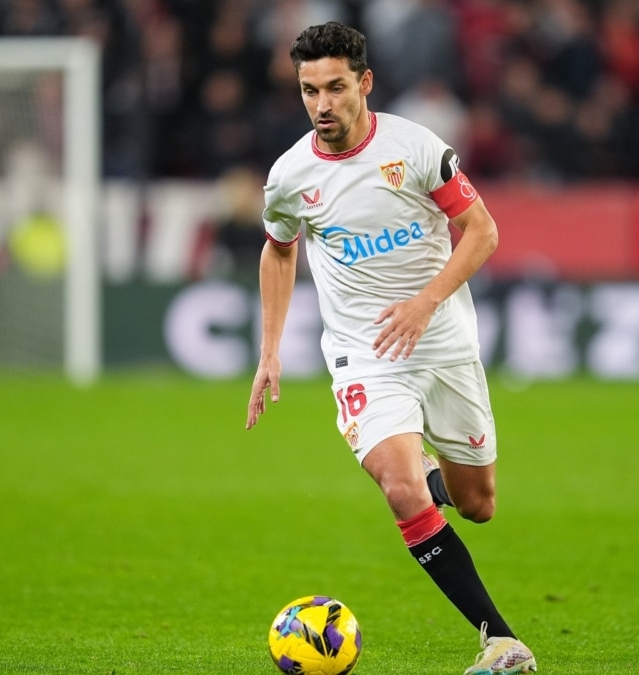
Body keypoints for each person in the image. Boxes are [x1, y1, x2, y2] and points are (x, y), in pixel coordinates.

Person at [245, 21, 537, 675]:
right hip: (363, 353)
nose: (322, 104)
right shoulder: (290, 175)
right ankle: (501, 639)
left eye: (336, 87)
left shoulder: (415, 148)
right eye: (309, 90)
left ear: (364, 83)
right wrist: (270, 350)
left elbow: (481, 231)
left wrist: (426, 301)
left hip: (444, 341)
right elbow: (279, 249)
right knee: (402, 487)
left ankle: (436, 472)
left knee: (477, 504)